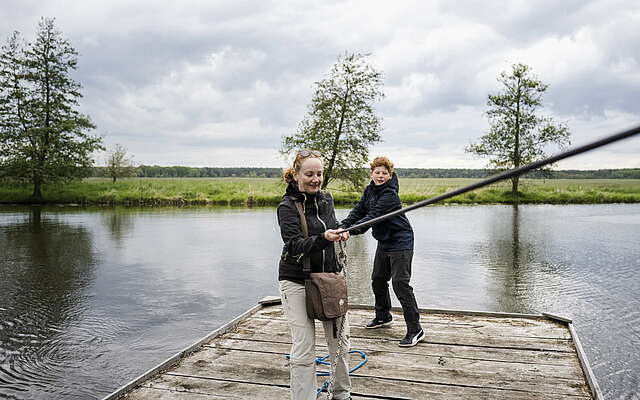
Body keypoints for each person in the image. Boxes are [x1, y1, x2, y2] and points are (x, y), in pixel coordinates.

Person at [277, 149, 352, 400]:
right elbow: (295, 245)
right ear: (296, 175)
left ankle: (342, 394)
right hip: (296, 281)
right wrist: (323, 238)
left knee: (341, 343)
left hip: (329, 279)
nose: (315, 179)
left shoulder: (327, 199)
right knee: (304, 346)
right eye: (309, 174)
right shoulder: (286, 207)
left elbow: (329, 227)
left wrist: (340, 231)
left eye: (319, 173)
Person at [340, 156, 424, 347]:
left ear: (390, 175)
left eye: (384, 173)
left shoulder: (390, 195)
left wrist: (350, 231)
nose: (380, 176)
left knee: (400, 283)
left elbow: (373, 217)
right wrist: (344, 225)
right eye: (377, 172)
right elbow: (360, 210)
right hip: (384, 241)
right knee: (378, 279)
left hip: (401, 241)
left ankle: (415, 329)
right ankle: (383, 316)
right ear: (372, 173)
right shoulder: (370, 190)